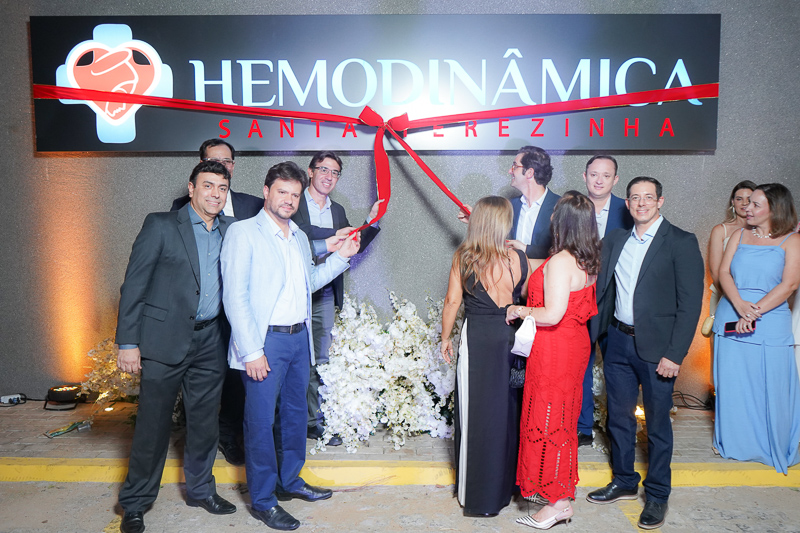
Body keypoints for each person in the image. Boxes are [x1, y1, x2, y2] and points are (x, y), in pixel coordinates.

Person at [221, 161, 361, 531]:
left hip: (299, 338)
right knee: (260, 421)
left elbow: (309, 281)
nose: (288, 199)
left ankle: (290, 480)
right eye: (282, 192)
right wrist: (252, 350)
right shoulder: (242, 233)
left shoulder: (298, 236)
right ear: (266, 192)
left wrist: (342, 257)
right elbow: (235, 296)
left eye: (295, 195)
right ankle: (264, 500)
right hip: (265, 340)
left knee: (296, 415)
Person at [115, 161, 238, 533]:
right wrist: (128, 342)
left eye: (222, 187)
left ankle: (201, 491)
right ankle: (135, 503)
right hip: (163, 339)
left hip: (211, 339)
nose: (215, 194)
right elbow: (134, 286)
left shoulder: (232, 231)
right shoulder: (161, 225)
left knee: (204, 423)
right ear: (191, 188)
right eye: (208, 185)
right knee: (152, 426)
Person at [587, 177, 704, 530]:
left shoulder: (681, 241)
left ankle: (657, 494)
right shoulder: (616, 239)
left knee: (657, 425)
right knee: (619, 419)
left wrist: (675, 354)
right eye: (635, 198)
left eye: (648, 197)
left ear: (660, 201)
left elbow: (689, 305)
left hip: (658, 351)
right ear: (627, 203)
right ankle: (624, 481)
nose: (641, 203)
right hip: (618, 342)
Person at [506, 192, 601, 529]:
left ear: (561, 221)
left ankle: (557, 502)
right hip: (574, 343)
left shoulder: (562, 261)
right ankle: (560, 498)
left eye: (555, 214)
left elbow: (552, 313)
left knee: (548, 422)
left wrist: (518, 309)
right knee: (561, 421)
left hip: (555, 347)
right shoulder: (586, 258)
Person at [172, 138, 263, 466]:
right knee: (206, 380)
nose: (222, 165)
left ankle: (229, 433)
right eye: (214, 160)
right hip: (203, 314)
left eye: (227, 161)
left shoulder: (253, 205)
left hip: (241, 308)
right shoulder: (180, 207)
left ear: (233, 167)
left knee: (238, 376)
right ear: (200, 165)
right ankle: (204, 435)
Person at [441, 196, 529, 516]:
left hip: (477, 340)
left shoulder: (464, 257)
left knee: (476, 414)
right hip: (510, 339)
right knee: (507, 413)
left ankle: (477, 495)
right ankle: (504, 489)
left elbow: (452, 302)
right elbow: (526, 295)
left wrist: (444, 338)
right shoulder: (518, 257)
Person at [290, 151, 382, 445]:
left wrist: (370, 221)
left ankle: (313, 422)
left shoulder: (338, 210)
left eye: (335, 173)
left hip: (325, 294)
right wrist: (337, 234)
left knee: (321, 360)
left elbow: (352, 243)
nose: (329, 177)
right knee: (292, 358)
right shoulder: (293, 201)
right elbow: (300, 234)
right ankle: (289, 420)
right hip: (292, 295)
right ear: (310, 171)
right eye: (323, 170)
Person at [712, 183, 800, 473]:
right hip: (732, 314)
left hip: (769, 320)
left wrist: (754, 312)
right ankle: (735, 443)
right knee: (733, 383)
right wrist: (740, 305)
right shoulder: (739, 234)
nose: (747, 208)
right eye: (747, 202)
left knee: (770, 384)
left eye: (755, 204)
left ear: (775, 209)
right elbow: (723, 272)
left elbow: (790, 284)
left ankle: (769, 443)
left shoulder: (792, 240)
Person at [577, 155, 634, 447]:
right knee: (580, 365)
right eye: (594, 174)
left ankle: (618, 431)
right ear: (584, 176)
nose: (599, 180)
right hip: (579, 296)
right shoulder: (573, 208)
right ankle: (582, 427)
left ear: (616, 179)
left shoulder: (629, 210)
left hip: (616, 300)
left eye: (606, 175)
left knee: (618, 370)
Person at [458, 146, 560, 261]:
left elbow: (565, 250)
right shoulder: (511, 205)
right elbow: (496, 236)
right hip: (512, 272)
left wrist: (526, 249)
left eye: (515, 166)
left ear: (529, 172)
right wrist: (476, 220)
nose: (510, 171)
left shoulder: (560, 207)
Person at [707, 181, 757, 315]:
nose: (744, 203)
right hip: (723, 296)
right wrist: (735, 300)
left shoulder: (763, 232)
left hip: (756, 298)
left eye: (749, 199)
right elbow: (715, 272)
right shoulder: (720, 230)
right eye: (739, 199)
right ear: (732, 202)